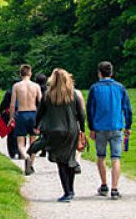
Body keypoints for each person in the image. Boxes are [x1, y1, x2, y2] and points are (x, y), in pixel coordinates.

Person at [31, 69, 85, 202]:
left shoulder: (48, 95)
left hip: (54, 131)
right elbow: (81, 114)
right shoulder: (74, 95)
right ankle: (71, 190)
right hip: (71, 131)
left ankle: (66, 192)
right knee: (70, 160)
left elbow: (40, 113)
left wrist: (35, 126)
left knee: (61, 163)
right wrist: (82, 130)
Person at [87, 61, 132, 200]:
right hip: (116, 126)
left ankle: (104, 185)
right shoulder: (120, 87)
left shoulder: (94, 88)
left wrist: (91, 128)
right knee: (116, 158)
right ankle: (114, 188)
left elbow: (90, 110)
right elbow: (127, 109)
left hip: (100, 127)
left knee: (101, 156)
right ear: (111, 72)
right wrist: (128, 126)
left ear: (99, 73)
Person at [9, 64, 42, 175]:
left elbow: (13, 104)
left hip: (22, 114)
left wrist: (11, 117)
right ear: (30, 73)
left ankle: (25, 156)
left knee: (20, 143)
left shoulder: (16, 86)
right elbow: (41, 103)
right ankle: (31, 165)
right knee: (33, 142)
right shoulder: (36, 86)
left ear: (20, 74)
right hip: (33, 114)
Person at [0, 79, 19, 159]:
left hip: (10, 114)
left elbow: (4, 104)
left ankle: (12, 152)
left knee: (11, 133)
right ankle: (20, 150)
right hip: (21, 113)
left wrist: (1, 113)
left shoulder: (9, 92)